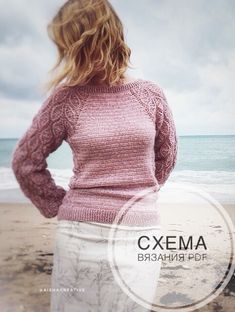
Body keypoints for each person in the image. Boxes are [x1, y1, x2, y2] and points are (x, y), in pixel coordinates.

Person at [11, 0, 178, 311]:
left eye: (69, 45)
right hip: (79, 237)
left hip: (139, 238)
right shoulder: (65, 99)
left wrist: (137, 199)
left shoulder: (149, 94)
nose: (65, 55)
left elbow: (166, 156)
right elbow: (26, 162)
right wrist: (60, 205)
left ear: (94, 39)